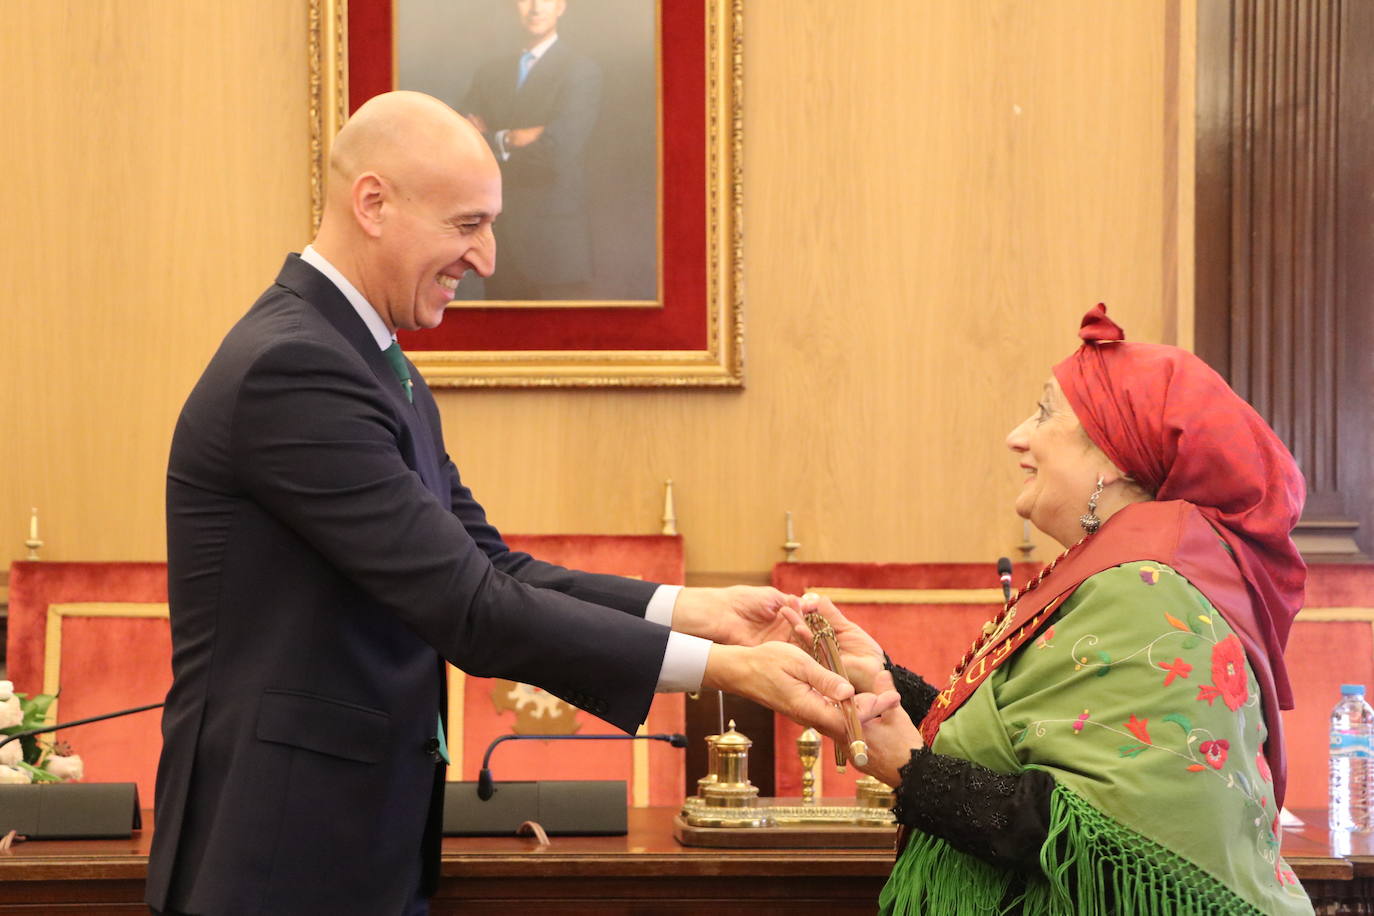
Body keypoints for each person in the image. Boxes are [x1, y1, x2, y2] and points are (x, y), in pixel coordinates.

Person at [144, 91, 889, 916]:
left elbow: (493, 568)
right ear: (374, 204)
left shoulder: (373, 364)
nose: (489, 257)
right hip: (278, 855)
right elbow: (471, 609)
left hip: (351, 844)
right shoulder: (294, 370)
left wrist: (697, 610)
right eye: (467, 225)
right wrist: (725, 670)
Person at [788, 305, 1315, 914]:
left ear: (1116, 458)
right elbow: (1021, 745)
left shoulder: (1146, 588)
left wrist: (913, 773)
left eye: (1043, 413)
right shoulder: (1116, 571)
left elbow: (1093, 840)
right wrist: (884, 679)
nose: (1018, 435)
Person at [463, 0, 599, 300]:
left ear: (562, 6)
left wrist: (492, 139)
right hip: (498, 241)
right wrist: (512, 138)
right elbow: (463, 145)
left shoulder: (581, 71)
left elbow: (557, 151)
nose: (536, 7)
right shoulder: (490, 73)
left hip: (554, 247)